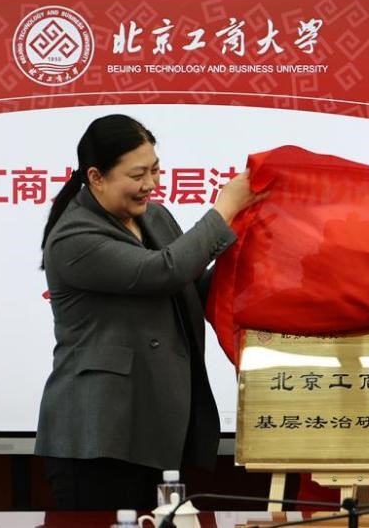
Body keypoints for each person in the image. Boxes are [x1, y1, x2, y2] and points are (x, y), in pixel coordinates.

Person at [35, 114, 259, 510]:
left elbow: (192, 286)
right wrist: (224, 209)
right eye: (137, 174)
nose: (150, 184)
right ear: (96, 177)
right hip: (98, 436)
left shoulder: (155, 217)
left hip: (155, 427)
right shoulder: (73, 236)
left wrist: (253, 249)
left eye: (155, 170)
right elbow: (163, 272)